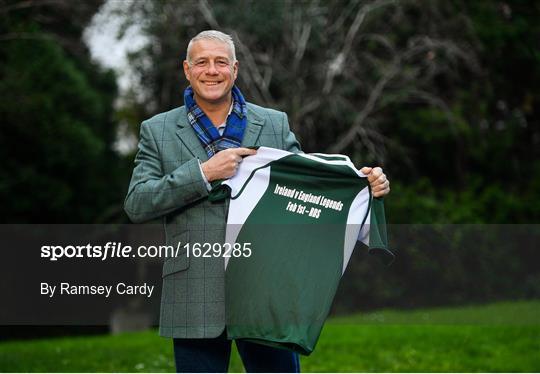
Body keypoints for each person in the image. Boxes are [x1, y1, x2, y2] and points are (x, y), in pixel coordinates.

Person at [124, 30, 390, 373]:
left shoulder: (273, 123)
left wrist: (361, 183)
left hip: (267, 287)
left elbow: (306, 185)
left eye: (221, 62)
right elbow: (137, 203)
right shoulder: (157, 130)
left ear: (235, 70)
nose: (212, 70)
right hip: (194, 291)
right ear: (186, 70)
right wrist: (203, 173)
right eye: (201, 62)